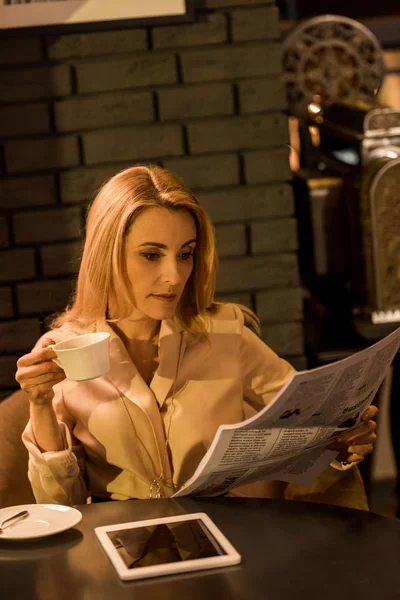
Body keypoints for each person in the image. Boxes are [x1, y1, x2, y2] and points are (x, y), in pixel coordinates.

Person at [15, 165, 377, 506]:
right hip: (120, 551)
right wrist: (41, 404)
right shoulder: (61, 352)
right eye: (152, 255)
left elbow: (312, 418)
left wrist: (344, 440)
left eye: (185, 254)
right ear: (107, 256)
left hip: (224, 541)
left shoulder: (223, 332)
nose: (174, 276)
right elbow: (61, 504)